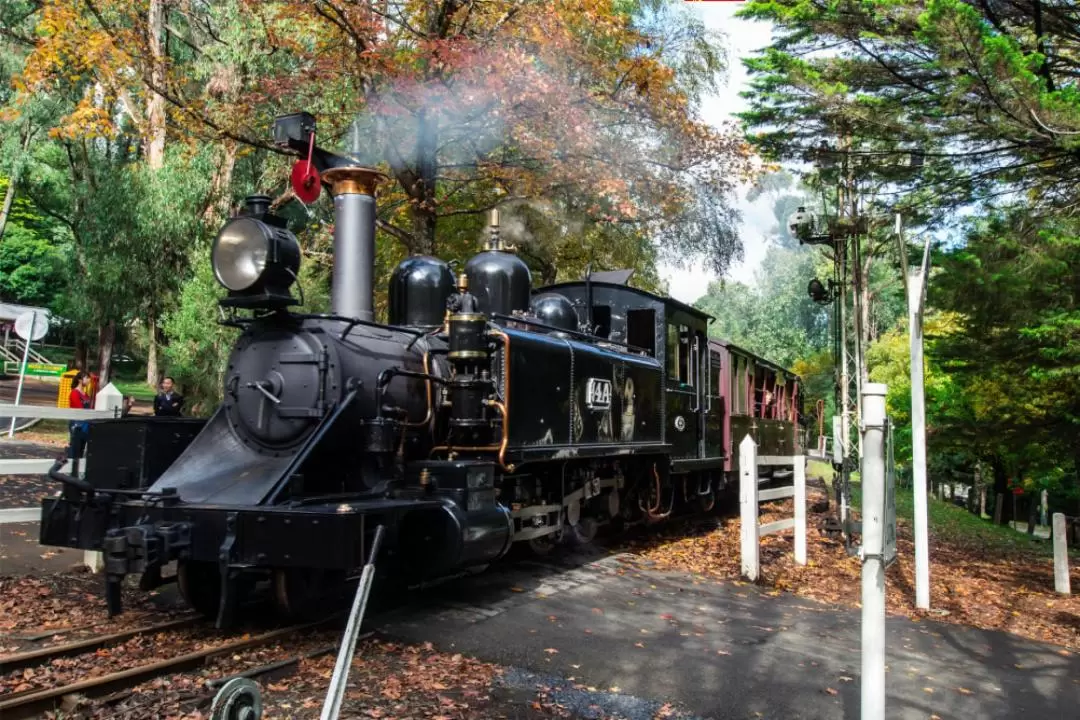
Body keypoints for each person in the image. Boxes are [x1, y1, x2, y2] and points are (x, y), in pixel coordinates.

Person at [67, 371, 92, 466]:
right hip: (77, 425)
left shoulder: (86, 395)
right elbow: (79, 409)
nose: (89, 380)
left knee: (82, 450)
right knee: (75, 450)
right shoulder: (74, 393)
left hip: (85, 426)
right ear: (80, 380)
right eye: (87, 377)